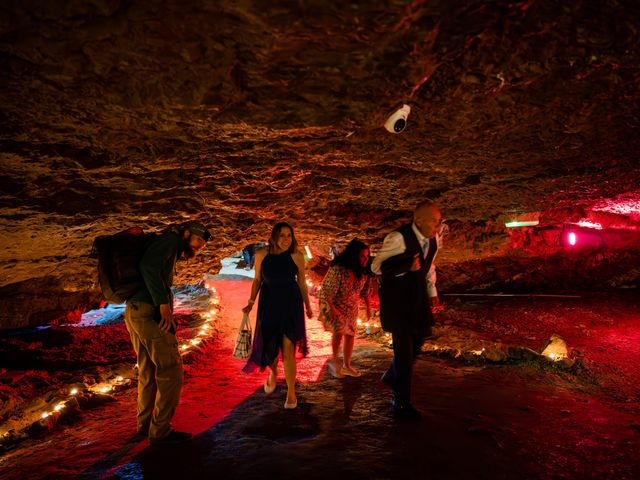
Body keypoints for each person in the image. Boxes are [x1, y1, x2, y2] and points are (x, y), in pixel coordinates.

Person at [125, 221, 211, 444]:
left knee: (148, 369)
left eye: (203, 243)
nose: (200, 245)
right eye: (198, 239)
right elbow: (149, 267)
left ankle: (144, 426)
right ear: (185, 233)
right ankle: (160, 431)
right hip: (148, 313)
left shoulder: (166, 243)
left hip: (135, 310)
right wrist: (163, 304)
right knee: (171, 370)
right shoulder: (170, 241)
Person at [371, 200, 444, 420]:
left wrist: (432, 293)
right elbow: (376, 267)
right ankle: (400, 403)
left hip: (418, 298)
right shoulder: (398, 238)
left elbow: (429, 266)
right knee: (404, 354)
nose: (437, 225)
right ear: (419, 219)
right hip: (399, 302)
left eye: (438, 221)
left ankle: (393, 376)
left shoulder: (433, 241)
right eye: (433, 220)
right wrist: (406, 267)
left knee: (420, 339)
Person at [242, 222, 313, 409]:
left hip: (291, 303)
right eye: (281, 235)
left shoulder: (297, 256)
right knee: (270, 346)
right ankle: (273, 373)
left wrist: (308, 306)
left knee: (288, 348)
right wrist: (250, 302)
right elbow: (257, 279)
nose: (286, 240)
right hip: (269, 302)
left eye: (289, 235)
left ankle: (291, 392)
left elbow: (302, 283)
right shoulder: (261, 254)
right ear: (274, 237)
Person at [319, 239, 371, 378]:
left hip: (352, 306)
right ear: (354, 255)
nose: (366, 259)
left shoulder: (363, 271)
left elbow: (364, 291)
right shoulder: (339, 269)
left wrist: (368, 307)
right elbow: (327, 290)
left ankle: (347, 365)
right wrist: (333, 310)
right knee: (339, 330)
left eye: (367, 256)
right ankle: (335, 360)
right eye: (362, 256)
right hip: (335, 303)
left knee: (351, 333)